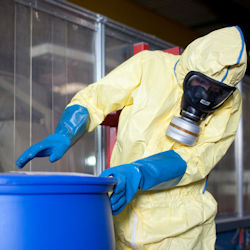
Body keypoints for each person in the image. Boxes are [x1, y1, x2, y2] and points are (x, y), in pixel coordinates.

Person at [16, 26, 247, 249]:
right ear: (189, 68)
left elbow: (197, 158)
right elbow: (96, 98)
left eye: (216, 92)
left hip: (180, 232)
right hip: (121, 219)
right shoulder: (149, 66)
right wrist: (66, 131)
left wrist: (140, 171)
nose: (204, 96)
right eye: (199, 83)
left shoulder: (231, 103)